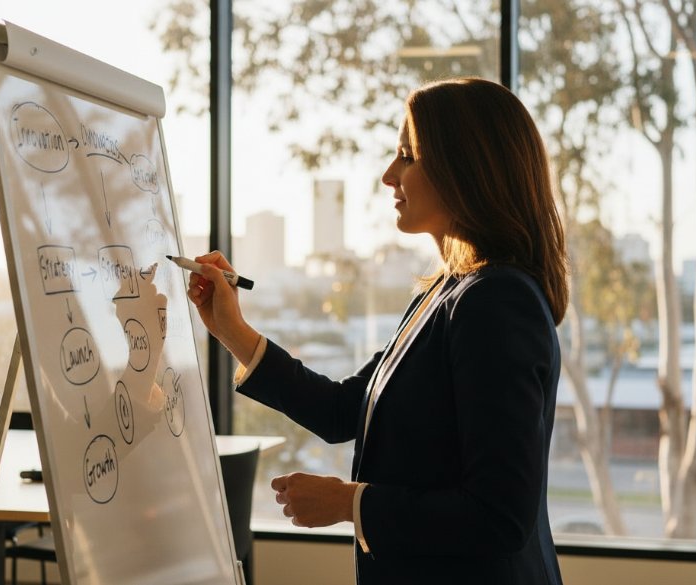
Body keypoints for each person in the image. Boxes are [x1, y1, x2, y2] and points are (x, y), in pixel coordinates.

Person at [186, 77, 568, 585]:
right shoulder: (446, 293)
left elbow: (500, 516)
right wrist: (231, 330)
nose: (390, 176)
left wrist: (351, 503)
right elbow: (347, 409)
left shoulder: (496, 303)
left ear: (466, 169)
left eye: (408, 156)